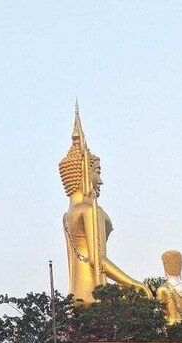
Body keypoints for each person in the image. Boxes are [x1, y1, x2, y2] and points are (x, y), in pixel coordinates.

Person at [59, 105, 150, 304]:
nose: (100, 181)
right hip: (96, 296)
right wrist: (136, 285)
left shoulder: (68, 215)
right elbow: (97, 260)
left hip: (76, 298)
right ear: (84, 173)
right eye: (97, 172)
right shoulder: (91, 211)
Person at [157, 250, 182, 325]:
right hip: (171, 329)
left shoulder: (162, 289)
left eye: (176, 262)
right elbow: (162, 313)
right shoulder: (162, 290)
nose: (174, 265)